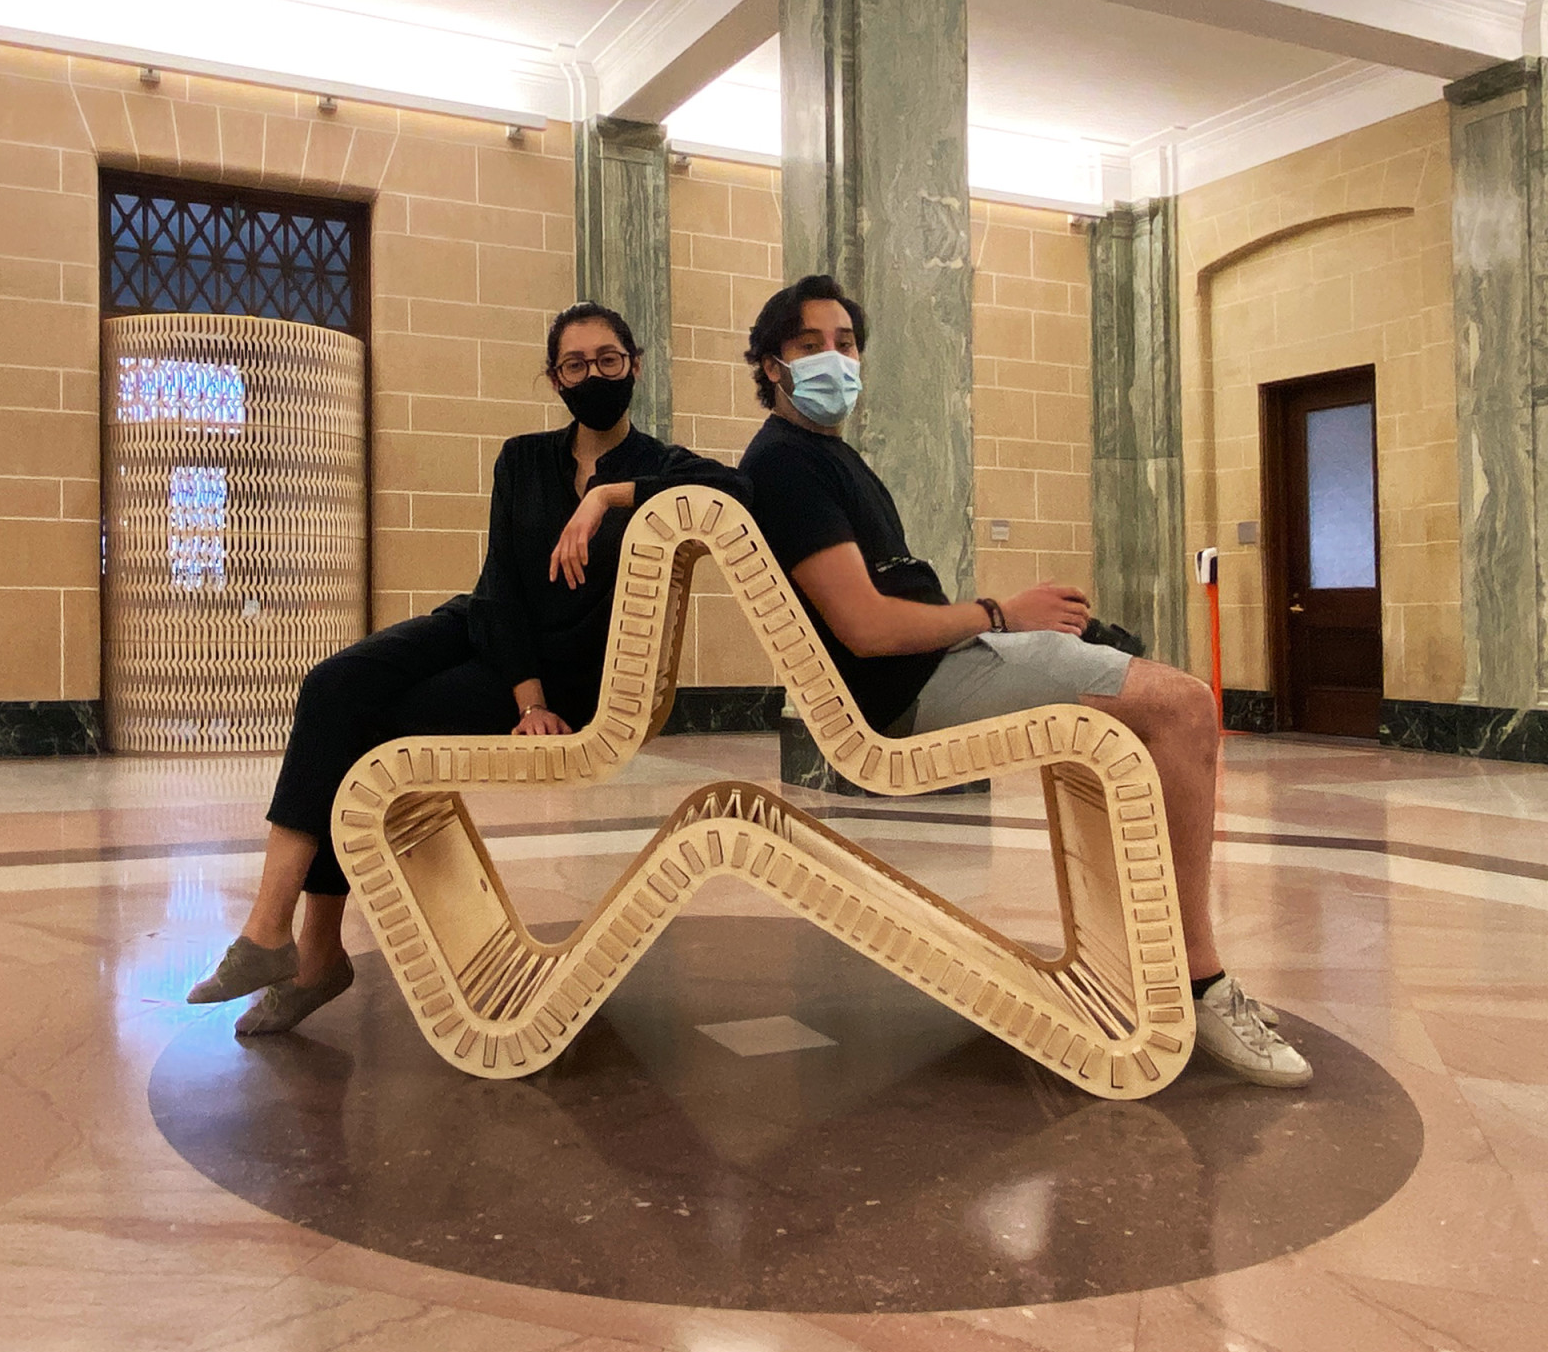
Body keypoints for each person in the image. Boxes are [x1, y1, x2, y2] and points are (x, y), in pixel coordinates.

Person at [735, 275, 1314, 1088]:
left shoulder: (822, 455)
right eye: (809, 346)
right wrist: (1002, 612)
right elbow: (867, 627)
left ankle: (1151, 963)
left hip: (938, 668)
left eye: (846, 343)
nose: (835, 359)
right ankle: (1199, 978)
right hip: (909, 694)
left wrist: (1012, 621)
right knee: (1183, 707)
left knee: (1126, 672)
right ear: (771, 366)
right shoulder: (789, 466)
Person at [186, 302, 745, 1033]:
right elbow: (502, 583)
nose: (594, 376)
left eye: (608, 360)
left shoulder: (660, 466)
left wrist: (608, 498)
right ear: (555, 378)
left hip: (568, 675)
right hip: (484, 628)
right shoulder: (522, 458)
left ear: (634, 365)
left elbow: (741, 492)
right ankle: (270, 931)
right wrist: (526, 699)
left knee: (361, 731)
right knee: (332, 686)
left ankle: (314, 952)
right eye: (575, 365)